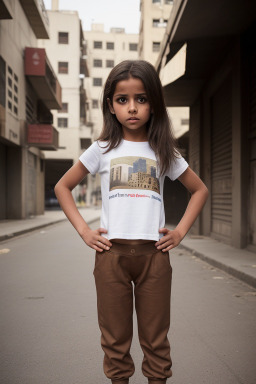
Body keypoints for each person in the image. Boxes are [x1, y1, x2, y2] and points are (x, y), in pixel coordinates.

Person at [54, 60, 209, 384]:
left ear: (154, 103)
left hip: (155, 258)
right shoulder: (102, 149)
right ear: (110, 105)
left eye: (141, 98)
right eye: (122, 99)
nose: (132, 107)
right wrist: (84, 230)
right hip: (111, 257)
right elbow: (63, 186)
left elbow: (199, 190)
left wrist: (180, 231)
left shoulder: (164, 150)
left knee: (156, 343)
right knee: (114, 343)